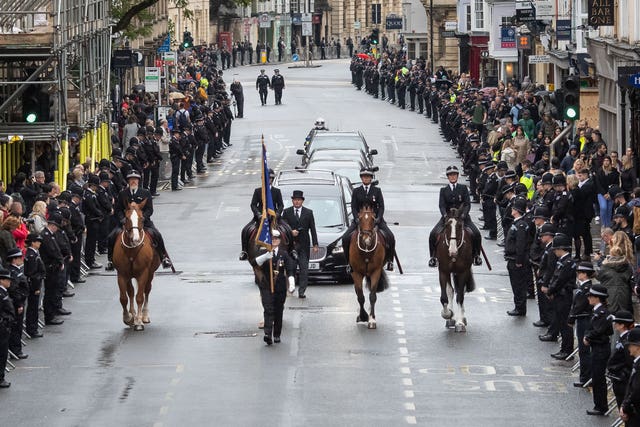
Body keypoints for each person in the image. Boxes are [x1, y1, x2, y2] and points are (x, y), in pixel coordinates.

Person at [106, 171, 172, 270]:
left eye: (135, 179)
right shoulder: (123, 193)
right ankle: (110, 260)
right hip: (127, 223)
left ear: (138, 181)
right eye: (131, 179)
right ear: (128, 181)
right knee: (111, 237)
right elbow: (118, 209)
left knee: (157, 235)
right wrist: (122, 219)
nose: (133, 181)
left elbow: (150, 209)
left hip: (143, 222)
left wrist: (143, 218)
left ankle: (163, 258)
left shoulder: (145, 193)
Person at [428, 165, 483, 267]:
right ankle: (433, 257)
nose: (452, 177)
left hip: (462, 218)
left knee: (476, 233)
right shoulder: (443, 190)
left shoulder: (463, 188)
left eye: (454, 175)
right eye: (450, 175)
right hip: (448, 218)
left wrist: (463, 215)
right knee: (432, 234)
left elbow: (467, 204)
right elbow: (442, 205)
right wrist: (444, 215)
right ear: (448, 177)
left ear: (457, 176)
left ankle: (476, 256)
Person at [342, 168, 396, 271]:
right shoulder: (356, 191)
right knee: (345, 238)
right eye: (364, 176)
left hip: (375, 220)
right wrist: (356, 218)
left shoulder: (377, 191)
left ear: (371, 178)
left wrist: (379, 218)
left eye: (368, 177)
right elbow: (353, 206)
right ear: (361, 178)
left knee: (390, 236)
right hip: (360, 220)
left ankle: (390, 261)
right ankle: (348, 263)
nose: (366, 178)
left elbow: (381, 207)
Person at [254, 229, 296, 345]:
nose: (274, 240)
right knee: (268, 309)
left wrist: (291, 283)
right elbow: (254, 263)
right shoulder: (263, 252)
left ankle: (277, 334)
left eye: (276, 239)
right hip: (266, 285)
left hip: (280, 287)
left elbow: (290, 269)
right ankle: (268, 334)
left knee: (278, 310)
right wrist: (265, 257)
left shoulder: (283, 254)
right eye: (272, 239)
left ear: (279, 240)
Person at [542, 233, 576, 360]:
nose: (554, 252)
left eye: (555, 249)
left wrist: (550, 291)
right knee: (561, 323)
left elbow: (560, 280)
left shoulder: (567, 262)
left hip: (563, 296)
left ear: (560, 249)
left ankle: (567, 350)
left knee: (564, 324)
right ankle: (564, 348)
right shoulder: (563, 261)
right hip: (559, 295)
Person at [239, 169, 285, 261]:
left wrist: (277, 214)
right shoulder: (258, 191)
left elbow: (281, 205)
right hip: (260, 218)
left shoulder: (277, 191)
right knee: (245, 230)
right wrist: (258, 214)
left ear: (272, 179)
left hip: (274, 218)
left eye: (270, 179)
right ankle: (244, 251)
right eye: (266, 179)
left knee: (287, 229)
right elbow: (253, 205)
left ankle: (291, 250)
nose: (268, 180)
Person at [281, 190, 318, 298]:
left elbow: (313, 229)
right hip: (291, 245)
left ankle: (302, 291)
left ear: (302, 201)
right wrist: (290, 231)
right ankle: (291, 286)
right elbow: (283, 227)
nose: (297, 202)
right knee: (291, 267)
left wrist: (315, 244)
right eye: (295, 200)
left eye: (299, 200)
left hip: (304, 245)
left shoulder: (308, 212)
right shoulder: (287, 212)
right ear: (292, 201)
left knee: (304, 269)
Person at [583, 284, 613, 416]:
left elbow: (599, 329)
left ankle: (601, 406)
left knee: (598, 378)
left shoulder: (602, 312)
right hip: (597, 346)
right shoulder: (598, 311)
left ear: (597, 298)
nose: (588, 298)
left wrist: (588, 337)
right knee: (596, 377)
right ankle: (599, 404)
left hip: (600, 347)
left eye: (591, 296)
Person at [568, 261, 596, 388]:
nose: (578, 275)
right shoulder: (583, 287)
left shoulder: (586, 288)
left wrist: (571, 317)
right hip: (582, 319)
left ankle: (586, 377)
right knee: (583, 350)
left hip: (584, 319)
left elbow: (579, 306)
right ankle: (585, 376)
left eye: (579, 272)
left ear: (585, 274)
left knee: (584, 350)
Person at [504, 197, 530, 316]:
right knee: (515, 284)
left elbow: (520, 244)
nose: (511, 210)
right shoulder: (517, 223)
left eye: (513, 208)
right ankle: (518, 306)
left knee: (518, 285)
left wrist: (519, 260)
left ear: (517, 210)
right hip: (513, 258)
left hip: (516, 260)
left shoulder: (520, 225)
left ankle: (520, 308)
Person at [39, 213, 65, 325]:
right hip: (50, 267)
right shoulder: (45, 235)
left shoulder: (49, 234)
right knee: (50, 292)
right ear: (53, 225)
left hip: (53, 266)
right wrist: (60, 260)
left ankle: (52, 313)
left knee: (53, 291)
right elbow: (52, 251)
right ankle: (49, 316)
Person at [607, 310, 635, 409]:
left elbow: (630, 361)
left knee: (623, 407)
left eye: (616, 322)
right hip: (618, 378)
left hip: (622, 379)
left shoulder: (627, 340)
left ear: (622, 325)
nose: (614, 324)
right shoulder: (623, 337)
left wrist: (622, 374)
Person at [6, 248, 28, 359]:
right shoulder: (12, 272)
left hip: (20, 300)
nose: (21, 259)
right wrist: (19, 304)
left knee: (18, 327)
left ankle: (16, 349)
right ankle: (16, 350)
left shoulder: (16, 270)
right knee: (16, 327)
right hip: (16, 303)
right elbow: (14, 289)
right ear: (13, 260)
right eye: (19, 257)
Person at [23, 233, 44, 338]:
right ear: (33, 243)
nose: (39, 243)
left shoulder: (34, 253)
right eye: (38, 241)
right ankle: (32, 329)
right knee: (32, 308)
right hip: (34, 285)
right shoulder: (31, 255)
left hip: (36, 283)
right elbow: (32, 274)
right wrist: (36, 288)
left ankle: (33, 327)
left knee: (34, 307)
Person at [82, 174, 104, 270]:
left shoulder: (91, 194)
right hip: (92, 220)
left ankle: (91, 259)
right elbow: (92, 208)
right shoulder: (88, 195)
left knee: (92, 241)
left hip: (94, 220)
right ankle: (90, 260)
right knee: (91, 241)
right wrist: (100, 214)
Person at [621, 328, 640, 426]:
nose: (628, 348)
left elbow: (636, 390)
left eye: (630, 345)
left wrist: (625, 407)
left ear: (637, 347)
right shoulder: (636, 362)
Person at [0, 267, 15, 388]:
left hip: (4, 325)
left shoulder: (4, 292)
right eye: (7, 279)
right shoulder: (1, 293)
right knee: (2, 353)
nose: (9, 281)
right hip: (2, 326)